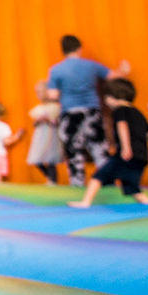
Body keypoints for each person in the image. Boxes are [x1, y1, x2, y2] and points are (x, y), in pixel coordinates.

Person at [47, 35, 128, 187]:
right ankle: (107, 181)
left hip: (70, 113)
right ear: (79, 48)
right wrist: (123, 70)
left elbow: (53, 95)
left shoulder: (56, 70)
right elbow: (114, 76)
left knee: (73, 151)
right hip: (92, 112)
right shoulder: (91, 66)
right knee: (99, 149)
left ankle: (77, 184)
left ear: (63, 51)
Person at [72, 78, 148, 208]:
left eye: (106, 97)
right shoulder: (138, 113)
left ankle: (85, 202)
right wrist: (139, 146)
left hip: (125, 154)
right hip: (141, 156)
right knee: (132, 187)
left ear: (112, 97)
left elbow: (122, 126)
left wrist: (126, 147)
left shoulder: (120, 110)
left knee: (98, 176)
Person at [26, 85, 65, 185]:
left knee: (51, 159)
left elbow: (59, 122)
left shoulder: (56, 107)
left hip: (51, 135)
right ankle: (49, 177)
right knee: (36, 159)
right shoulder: (38, 109)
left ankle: (52, 181)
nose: (38, 95)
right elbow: (34, 123)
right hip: (40, 135)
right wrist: (38, 120)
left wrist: (49, 120)